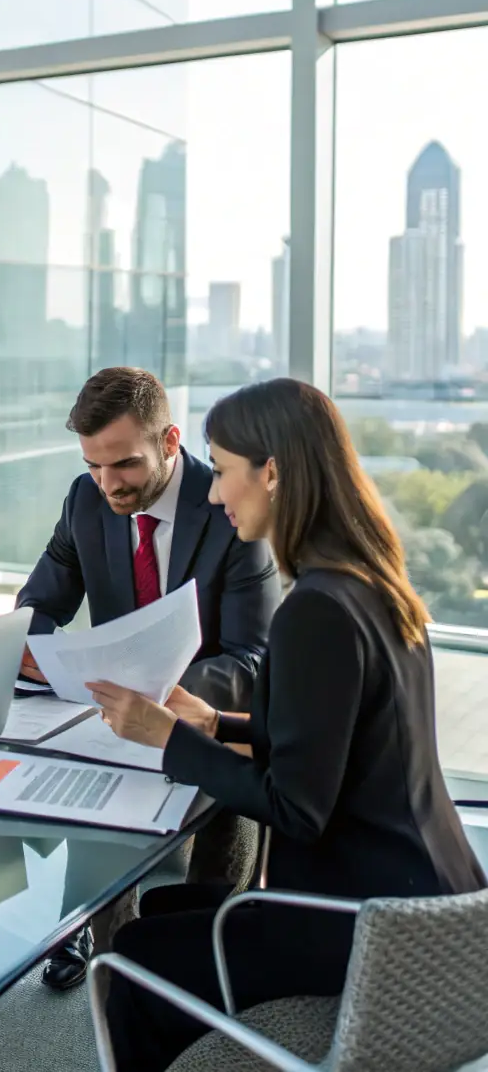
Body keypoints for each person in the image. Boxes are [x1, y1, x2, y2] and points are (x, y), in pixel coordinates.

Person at [88, 378, 486, 1072]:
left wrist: (168, 738)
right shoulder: (369, 580)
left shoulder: (315, 611)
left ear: (270, 471)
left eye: (224, 470)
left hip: (366, 924)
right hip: (436, 899)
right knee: (163, 910)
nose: (213, 493)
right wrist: (216, 720)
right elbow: (334, 734)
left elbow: (294, 808)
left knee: (129, 958)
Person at [20, 366, 281, 990]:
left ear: (169, 441)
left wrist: (160, 701)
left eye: (125, 466)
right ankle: (101, 944)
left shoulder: (230, 504)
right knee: (85, 777)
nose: (108, 484)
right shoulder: (85, 500)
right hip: (114, 715)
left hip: (208, 714)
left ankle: (209, 952)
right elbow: (42, 602)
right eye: (93, 466)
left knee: (224, 819)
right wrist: (23, 646)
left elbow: (251, 661)